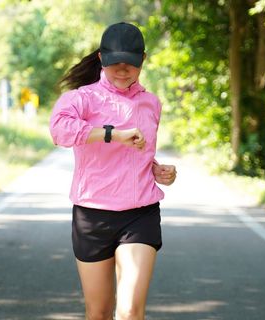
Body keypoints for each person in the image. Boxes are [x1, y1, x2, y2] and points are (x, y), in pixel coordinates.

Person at [49, 22, 177, 320]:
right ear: (100, 59)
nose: (122, 70)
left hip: (139, 213)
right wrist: (112, 134)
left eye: (130, 64)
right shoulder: (81, 99)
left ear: (142, 60)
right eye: (114, 64)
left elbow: (141, 154)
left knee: (131, 310)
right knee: (99, 313)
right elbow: (59, 131)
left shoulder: (151, 103)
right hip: (92, 215)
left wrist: (159, 170)